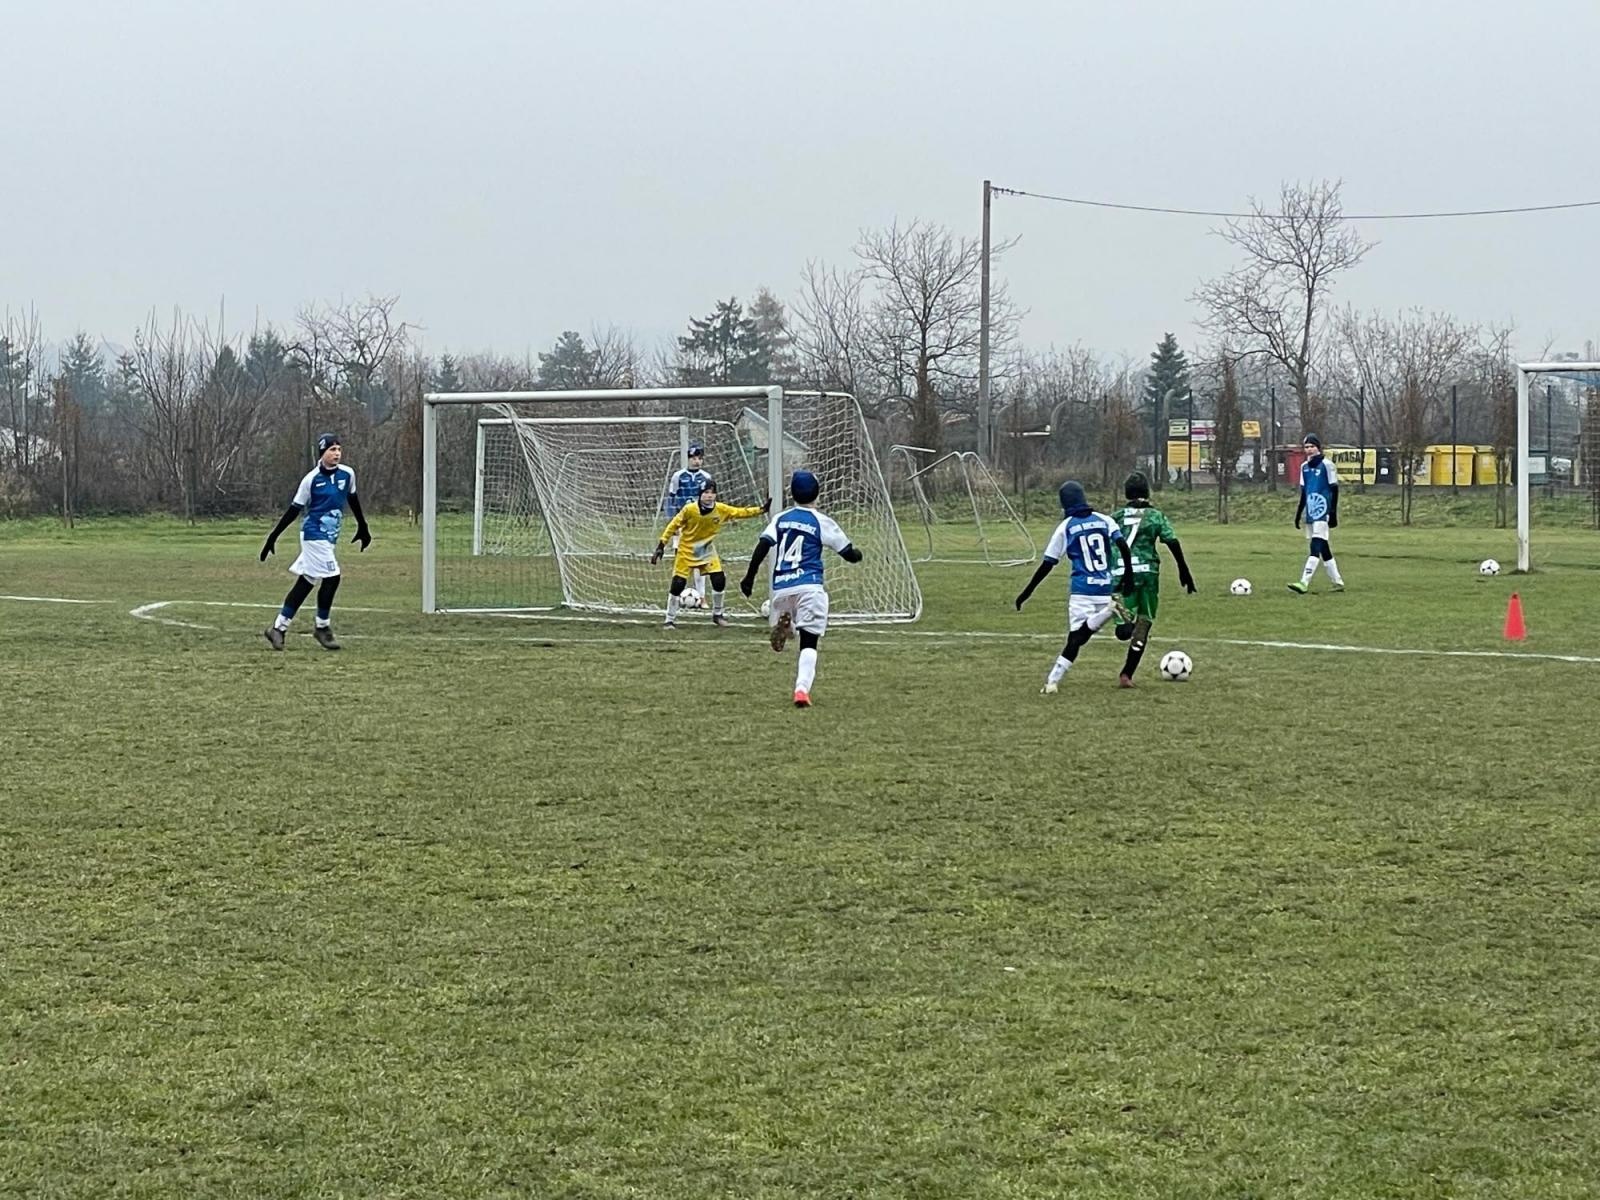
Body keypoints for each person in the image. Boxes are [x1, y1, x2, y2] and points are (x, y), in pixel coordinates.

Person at [739, 468, 862, 708]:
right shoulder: (821, 521)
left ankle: (787, 626)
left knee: (795, 621)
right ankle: (801, 690)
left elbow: (763, 545)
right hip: (809, 586)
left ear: (792, 494)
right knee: (809, 641)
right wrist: (857, 554)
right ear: (817, 493)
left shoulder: (781, 518)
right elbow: (848, 553)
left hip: (782, 588)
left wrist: (749, 578)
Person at [1015, 480, 1134, 694]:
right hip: (1105, 587)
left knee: (1076, 639)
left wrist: (1027, 592)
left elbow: (1048, 564)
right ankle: (1052, 680)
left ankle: (1052, 682)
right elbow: (1123, 546)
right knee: (1081, 637)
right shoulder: (1105, 520)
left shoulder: (1066, 527)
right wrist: (1128, 575)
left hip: (1083, 591)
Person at [260, 433, 371, 650]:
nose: (336, 453)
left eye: (339, 449)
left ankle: (278, 628)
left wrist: (363, 526)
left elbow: (353, 499)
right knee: (332, 577)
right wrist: (273, 536)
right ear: (322, 453)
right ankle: (322, 627)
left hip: (330, 538)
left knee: (307, 581)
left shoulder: (348, 474)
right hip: (313, 535)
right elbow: (294, 510)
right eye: (332, 450)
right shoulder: (311, 480)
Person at [1110, 471, 1196, 687]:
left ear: (1126, 493)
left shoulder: (1116, 517)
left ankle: (1123, 625)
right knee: (1144, 621)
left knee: (1123, 629)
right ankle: (1126, 675)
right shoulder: (1156, 516)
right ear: (1147, 493)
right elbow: (1172, 541)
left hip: (1121, 573)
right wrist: (1183, 569)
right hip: (1148, 573)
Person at [652, 478, 768, 628]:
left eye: (713, 493)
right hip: (686, 551)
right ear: (700, 494)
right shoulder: (689, 510)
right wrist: (661, 545)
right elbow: (673, 525)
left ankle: (718, 615)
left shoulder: (720, 509)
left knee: (719, 580)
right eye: (706, 492)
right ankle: (669, 619)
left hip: (707, 550)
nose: (710, 496)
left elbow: (739, 512)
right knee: (678, 585)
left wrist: (761, 510)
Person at [1288, 433, 1345, 593]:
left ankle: (1304, 582)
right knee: (1323, 548)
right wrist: (1299, 513)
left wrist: (1332, 513)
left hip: (1323, 510)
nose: (1309, 449)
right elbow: (1304, 492)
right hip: (1311, 511)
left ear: (1318, 448)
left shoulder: (1327, 465)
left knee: (1315, 546)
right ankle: (1338, 582)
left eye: (1312, 446)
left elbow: (1334, 489)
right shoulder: (1304, 467)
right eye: (1306, 447)